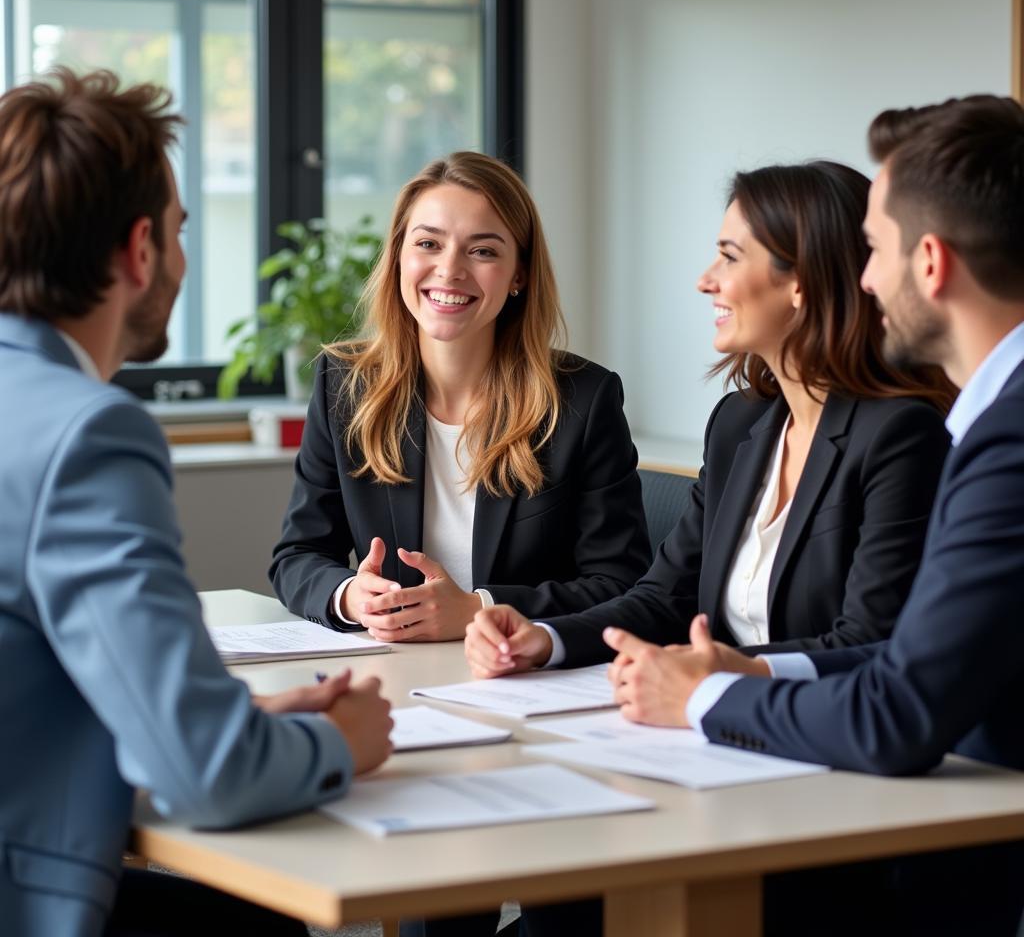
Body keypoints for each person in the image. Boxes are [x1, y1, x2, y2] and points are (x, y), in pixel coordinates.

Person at [603, 95, 1024, 936]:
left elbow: (899, 712)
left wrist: (707, 696)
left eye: (875, 251)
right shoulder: (991, 419)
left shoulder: (1000, 437)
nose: (865, 279)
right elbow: (906, 660)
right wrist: (743, 676)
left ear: (931, 263)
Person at [0, 68, 393, 937]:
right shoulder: (86, 434)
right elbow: (207, 774)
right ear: (140, 251)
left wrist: (237, 721)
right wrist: (341, 742)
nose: (181, 254)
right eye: (180, 232)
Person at [464, 160, 952, 685]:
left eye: (729, 257)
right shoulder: (739, 423)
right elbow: (665, 597)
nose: (705, 281)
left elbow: (870, 640)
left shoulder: (901, 435)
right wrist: (546, 638)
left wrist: (730, 674)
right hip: (719, 734)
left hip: (820, 732)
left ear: (802, 281)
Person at [270, 151, 650, 646]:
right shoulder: (345, 384)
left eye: (483, 251)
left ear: (519, 275)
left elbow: (620, 583)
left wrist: (477, 610)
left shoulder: (582, 399)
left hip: (520, 674)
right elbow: (297, 556)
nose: (449, 270)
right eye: (428, 243)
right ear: (399, 256)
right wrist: (351, 596)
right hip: (397, 668)